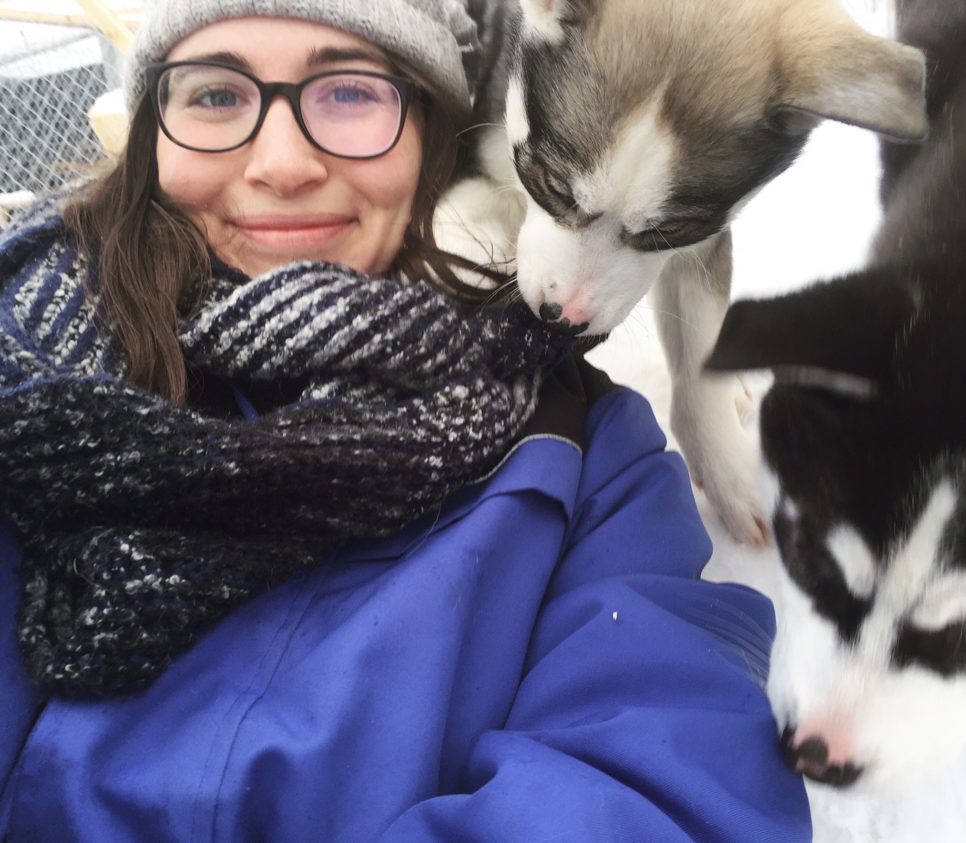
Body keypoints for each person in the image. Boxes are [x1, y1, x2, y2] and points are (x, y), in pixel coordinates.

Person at [0, 1, 810, 839]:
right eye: (215, 96)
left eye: (349, 94)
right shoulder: (24, 357)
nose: (281, 164)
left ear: (432, 125)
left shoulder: (583, 456)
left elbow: (668, 780)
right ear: (152, 132)